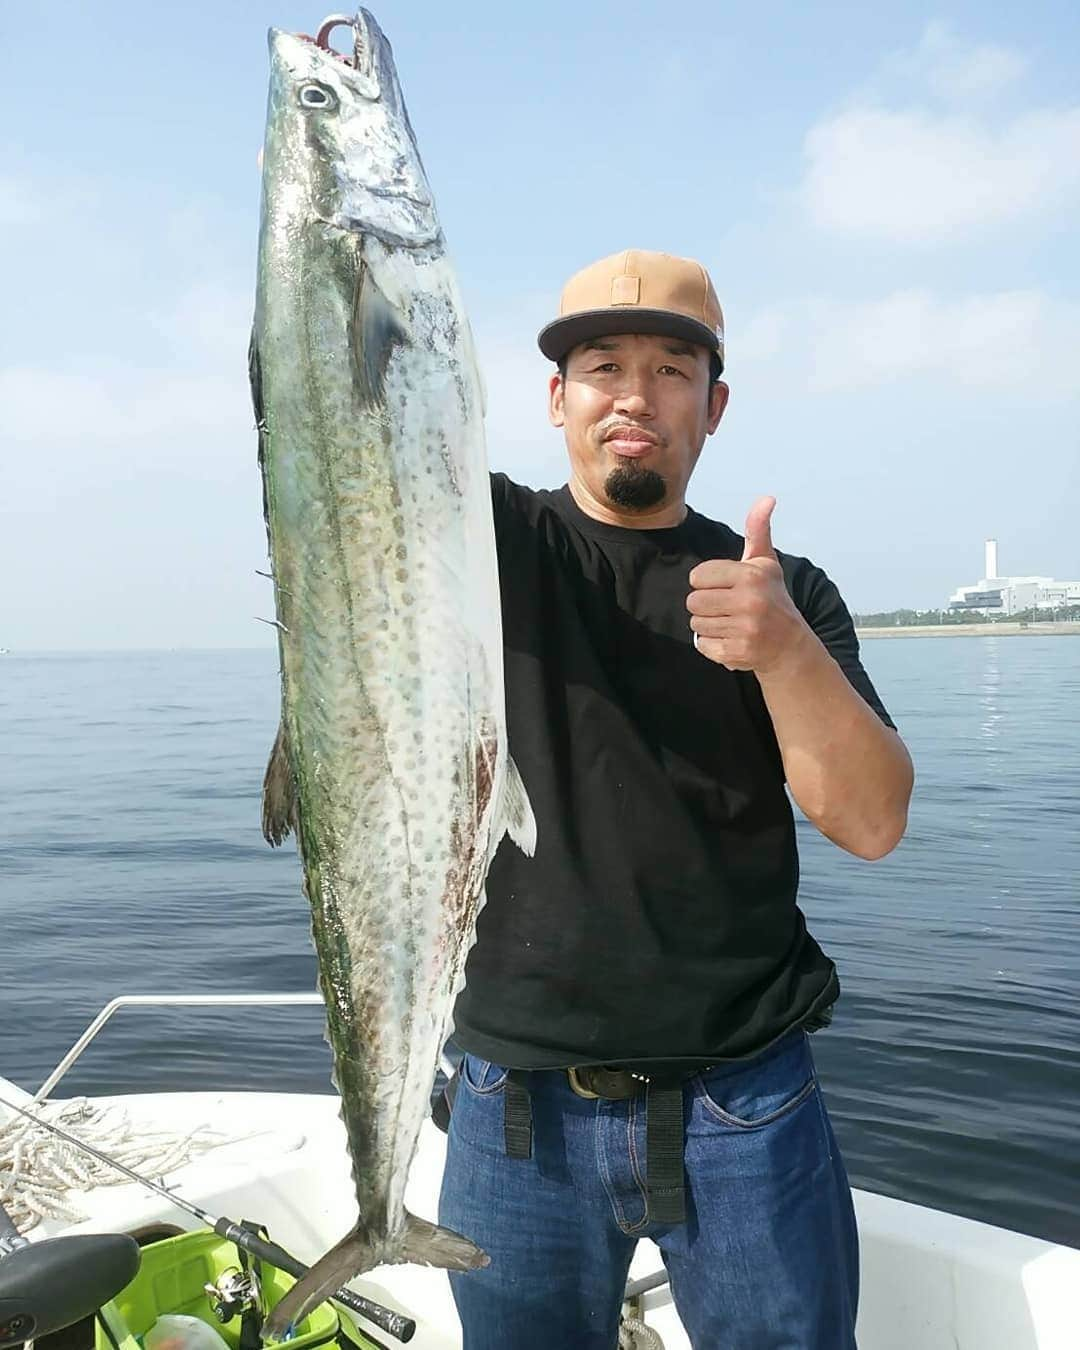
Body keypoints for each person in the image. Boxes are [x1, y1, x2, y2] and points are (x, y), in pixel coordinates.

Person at [437, 248, 915, 1349]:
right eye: (603, 365)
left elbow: (872, 822)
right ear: (557, 399)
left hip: (745, 1103)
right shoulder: (482, 546)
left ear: (715, 404)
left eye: (671, 368)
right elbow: (354, 446)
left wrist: (784, 650)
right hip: (512, 1111)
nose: (634, 396)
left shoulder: (787, 589)